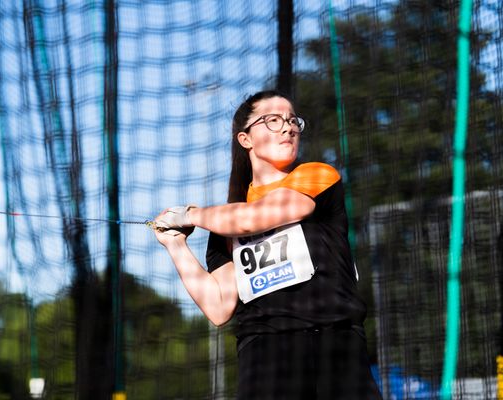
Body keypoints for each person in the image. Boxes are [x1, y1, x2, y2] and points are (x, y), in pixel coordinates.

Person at [153, 90, 382, 399]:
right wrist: (176, 246)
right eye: (273, 120)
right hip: (263, 357)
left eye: (292, 120)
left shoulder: (317, 175)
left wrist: (191, 215)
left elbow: (259, 217)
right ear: (245, 139)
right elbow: (219, 307)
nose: (288, 127)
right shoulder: (225, 221)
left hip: (333, 345)